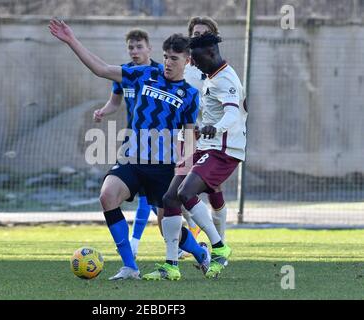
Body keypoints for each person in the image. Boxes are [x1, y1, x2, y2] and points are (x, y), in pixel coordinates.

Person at [49, 19, 207, 280]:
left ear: (187, 61)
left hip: (163, 167)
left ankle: (200, 253)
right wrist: (71, 40)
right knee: (107, 196)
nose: (168, 62)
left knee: (167, 229)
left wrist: (185, 172)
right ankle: (130, 266)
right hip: (132, 159)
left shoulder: (190, 94)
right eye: (166, 57)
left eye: (175, 58)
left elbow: (189, 135)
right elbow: (101, 69)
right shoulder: (142, 73)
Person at [144, 33, 247, 280]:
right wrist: (202, 130)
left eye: (196, 58)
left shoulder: (227, 79)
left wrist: (216, 128)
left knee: (185, 193)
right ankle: (171, 266)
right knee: (170, 198)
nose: (193, 62)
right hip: (205, 145)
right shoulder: (210, 75)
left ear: (211, 52)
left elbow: (232, 115)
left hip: (223, 150)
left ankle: (220, 247)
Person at [93, 29, 161, 258]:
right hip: (131, 143)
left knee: (158, 202)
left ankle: (185, 243)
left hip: (157, 145)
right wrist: (104, 111)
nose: (134, 51)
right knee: (144, 196)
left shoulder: (160, 72)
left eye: (139, 46)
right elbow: (115, 102)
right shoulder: (124, 73)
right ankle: (134, 245)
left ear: (149, 48)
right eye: (131, 47)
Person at [178, 16, 228, 260]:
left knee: (213, 188)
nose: (197, 36)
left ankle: (221, 243)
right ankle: (195, 241)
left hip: (210, 138)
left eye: (203, 33)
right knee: (180, 187)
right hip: (186, 136)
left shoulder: (214, 69)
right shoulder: (182, 67)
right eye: (194, 33)